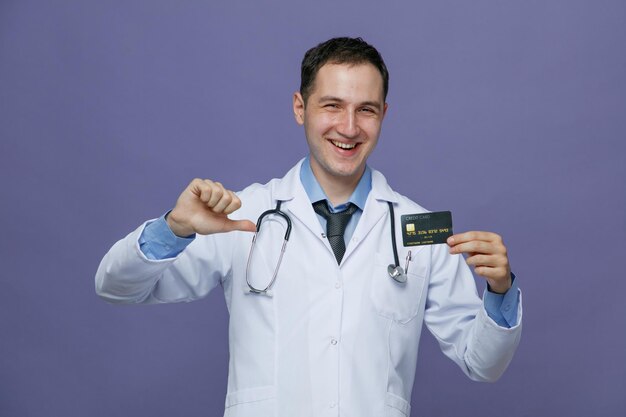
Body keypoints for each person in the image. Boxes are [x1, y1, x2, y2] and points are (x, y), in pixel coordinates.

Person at [96, 37, 521, 417]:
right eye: (332, 105)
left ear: (384, 114)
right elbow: (116, 287)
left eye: (366, 110)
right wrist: (174, 229)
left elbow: (482, 363)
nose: (349, 128)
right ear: (300, 108)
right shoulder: (244, 214)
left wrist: (500, 292)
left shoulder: (418, 228)